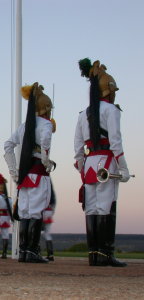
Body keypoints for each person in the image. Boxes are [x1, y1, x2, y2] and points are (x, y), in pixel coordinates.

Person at [75, 58, 131, 267]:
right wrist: (124, 167)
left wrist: (83, 169)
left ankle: (93, 255)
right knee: (106, 208)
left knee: (91, 208)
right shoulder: (112, 110)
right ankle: (106, 254)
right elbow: (116, 142)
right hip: (107, 161)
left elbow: (77, 148)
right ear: (108, 90)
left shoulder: (83, 115)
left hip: (90, 163)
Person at [4, 82, 55, 263]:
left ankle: (24, 251)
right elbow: (46, 143)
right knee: (36, 213)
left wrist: (13, 170)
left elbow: (8, 146)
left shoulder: (24, 126)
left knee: (25, 213)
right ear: (46, 108)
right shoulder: (46, 124)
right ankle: (33, 251)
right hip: (38, 173)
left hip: (24, 175)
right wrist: (46, 160)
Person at [41, 183, 56, 261]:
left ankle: (37, 252)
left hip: (42, 211)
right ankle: (50, 254)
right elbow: (53, 202)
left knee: (37, 232)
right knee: (47, 234)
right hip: (49, 211)